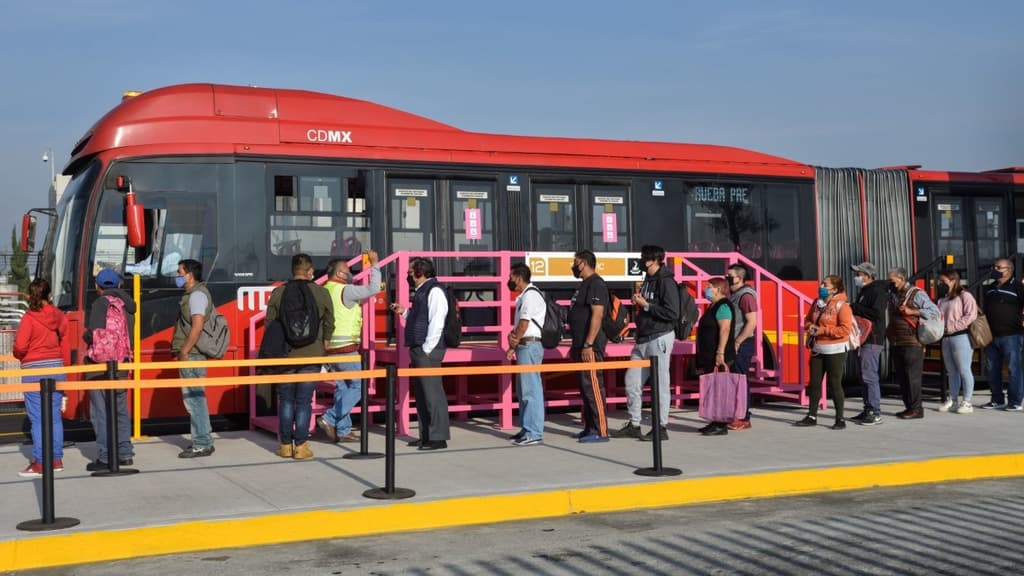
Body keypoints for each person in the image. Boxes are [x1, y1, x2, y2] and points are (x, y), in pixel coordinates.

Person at [266, 253, 334, 459]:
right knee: (304, 401)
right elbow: (330, 322)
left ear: (293, 270)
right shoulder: (321, 292)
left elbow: (270, 323)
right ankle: (301, 447)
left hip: (285, 355)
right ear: (310, 270)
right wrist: (325, 342)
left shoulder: (279, 292)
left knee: (286, 399)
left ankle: (285, 446)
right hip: (312, 354)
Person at [613, 245, 679, 441]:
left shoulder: (666, 281)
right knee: (632, 382)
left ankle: (661, 427)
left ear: (654, 260)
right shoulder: (648, 280)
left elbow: (672, 312)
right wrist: (641, 302)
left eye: (644, 258)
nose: (641, 261)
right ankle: (634, 423)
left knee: (660, 384)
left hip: (659, 337)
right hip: (643, 338)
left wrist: (647, 305)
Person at [316, 250, 381, 443]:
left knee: (343, 389)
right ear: (339, 274)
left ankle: (343, 431)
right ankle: (329, 418)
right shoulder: (346, 290)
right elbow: (374, 288)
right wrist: (374, 264)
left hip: (329, 349)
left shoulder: (325, 290)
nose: (351, 274)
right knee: (359, 386)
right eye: (347, 271)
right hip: (346, 348)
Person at [390, 257, 450, 451]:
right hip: (419, 348)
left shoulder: (435, 291)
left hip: (427, 350)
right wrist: (404, 312)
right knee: (423, 395)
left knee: (433, 394)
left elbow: (437, 322)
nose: (407, 276)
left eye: (409, 272)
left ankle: (438, 437)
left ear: (419, 272)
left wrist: (426, 349)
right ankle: (426, 435)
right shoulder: (422, 291)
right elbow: (421, 318)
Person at [13, 278, 68, 477]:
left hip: (33, 370)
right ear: (49, 295)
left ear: (30, 296)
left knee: (37, 418)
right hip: (56, 367)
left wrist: (21, 355)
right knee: (54, 416)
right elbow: (65, 336)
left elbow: (20, 346)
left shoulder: (29, 318)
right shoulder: (59, 315)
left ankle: (40, 462)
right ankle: (56, 459)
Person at [84, 269, 136, 471]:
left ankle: (105, 456)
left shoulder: (100, 303)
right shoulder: (128, 305)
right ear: (119, 285)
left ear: (98, 286)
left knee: (100, 411)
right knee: (120, 409)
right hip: (121, 364)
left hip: (100, 366)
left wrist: (86, 336)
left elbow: (93, 334)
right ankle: (125, 453)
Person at [793, 275, 854, 430]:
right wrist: (810, 327)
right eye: (822, 283)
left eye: (825, 285)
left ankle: (840, 419)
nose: (821, 286)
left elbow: (845, 330)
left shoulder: (842, 306)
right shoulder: (817, 303)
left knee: (835, 384)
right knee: (814, 384)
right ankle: (812, 416)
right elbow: (807, 320)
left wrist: (822, 330)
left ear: (834, 289)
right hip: (818, 348)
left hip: (835, 350)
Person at [171, 259, 216, 458]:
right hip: (193, 353)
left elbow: (197, 326)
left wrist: (184, 351)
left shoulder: (197, 296)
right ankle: (203, 440)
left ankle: (202, 443)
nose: (177, 276)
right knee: (195, 399)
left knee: (194, 400)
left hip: (193, 354)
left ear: (189, 275)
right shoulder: (194, 294)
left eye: (179, 272)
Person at [885, 267, 941, 419]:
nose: (889, 283)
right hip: (897, 341)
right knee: (903, 378)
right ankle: (909, 407)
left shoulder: (917, 293)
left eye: (892, 280)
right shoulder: (893, 295)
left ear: (901, 279)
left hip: (912, 341)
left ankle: (917, 409)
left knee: (912, 377)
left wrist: (913, 311)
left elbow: (935, 311)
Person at [567, 250, 611, 443]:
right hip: (580, 344)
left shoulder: (596, 284)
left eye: (575, 262)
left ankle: (601, 430)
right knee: (585, 388)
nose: (573, 266)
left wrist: (588, 343)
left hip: (590, 346)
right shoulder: (584, 284)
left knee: (593, 387)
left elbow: (597, 314)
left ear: (583, 263)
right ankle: (589, 427)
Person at [505, 262, 547, 446]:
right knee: (524, 391)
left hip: (529, 345)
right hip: (526, 345)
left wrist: (512, 344)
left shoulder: (530, 295)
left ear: (519, 278)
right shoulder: (525, 295)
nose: (509, 280)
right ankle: (526, 429)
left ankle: (534, 433)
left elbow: (524, 323)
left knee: (531, 390)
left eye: (511, 277)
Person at [981, 258, 1024, 410]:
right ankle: (997, 400)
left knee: (1014, 369)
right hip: (991, 336)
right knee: (992, 369)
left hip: (1012, 336)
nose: (995, 269)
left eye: (999, 267)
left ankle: (1015, 402)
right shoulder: (990, 287)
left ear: (1009, 270)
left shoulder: (1017, 287)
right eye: (994, 267)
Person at [695, 277, 735, 436]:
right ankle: (714, 421)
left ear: (718, 289)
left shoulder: (723, 306)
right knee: (712, 389)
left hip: (719, 355)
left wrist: (720, 353)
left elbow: (725, 329)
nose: (707, 289)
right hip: (709, 355)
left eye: (709, 286)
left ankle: (721, 424)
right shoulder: (713, 306)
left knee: (720, 389)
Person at [848, 262, 887, 426]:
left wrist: (854, 307)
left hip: (872, 339)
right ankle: (867, 408)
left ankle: (875, 412)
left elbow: (876, 314)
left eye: (859, 274)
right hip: (863, 338)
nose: (856, 277)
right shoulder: (865, 291)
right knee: (863, 375)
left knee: (869, 376)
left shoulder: (877, 291)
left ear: (868, 276)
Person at [937, 270, 978, 414]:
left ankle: (967, 401)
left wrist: (952, 327)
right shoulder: (942, 299)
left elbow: (971, 315)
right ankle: (953, 399)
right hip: (946, 338)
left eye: (943, 281)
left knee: (964, 369)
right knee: (951, 371)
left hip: (961, 336)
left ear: (953, 280)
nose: (940, 284)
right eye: (940, 281)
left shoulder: (965, 295)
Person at [726, 264, 758, 430]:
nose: (727, 278)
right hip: (733, 343)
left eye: (730, 276)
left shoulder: (746, 296)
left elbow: (752, 322)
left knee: (740, 380)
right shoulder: (734, 295)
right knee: (733, 380)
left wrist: (738, 342)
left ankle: (744, 417)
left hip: (742, 343)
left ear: (739, 278)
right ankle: (735, 415)